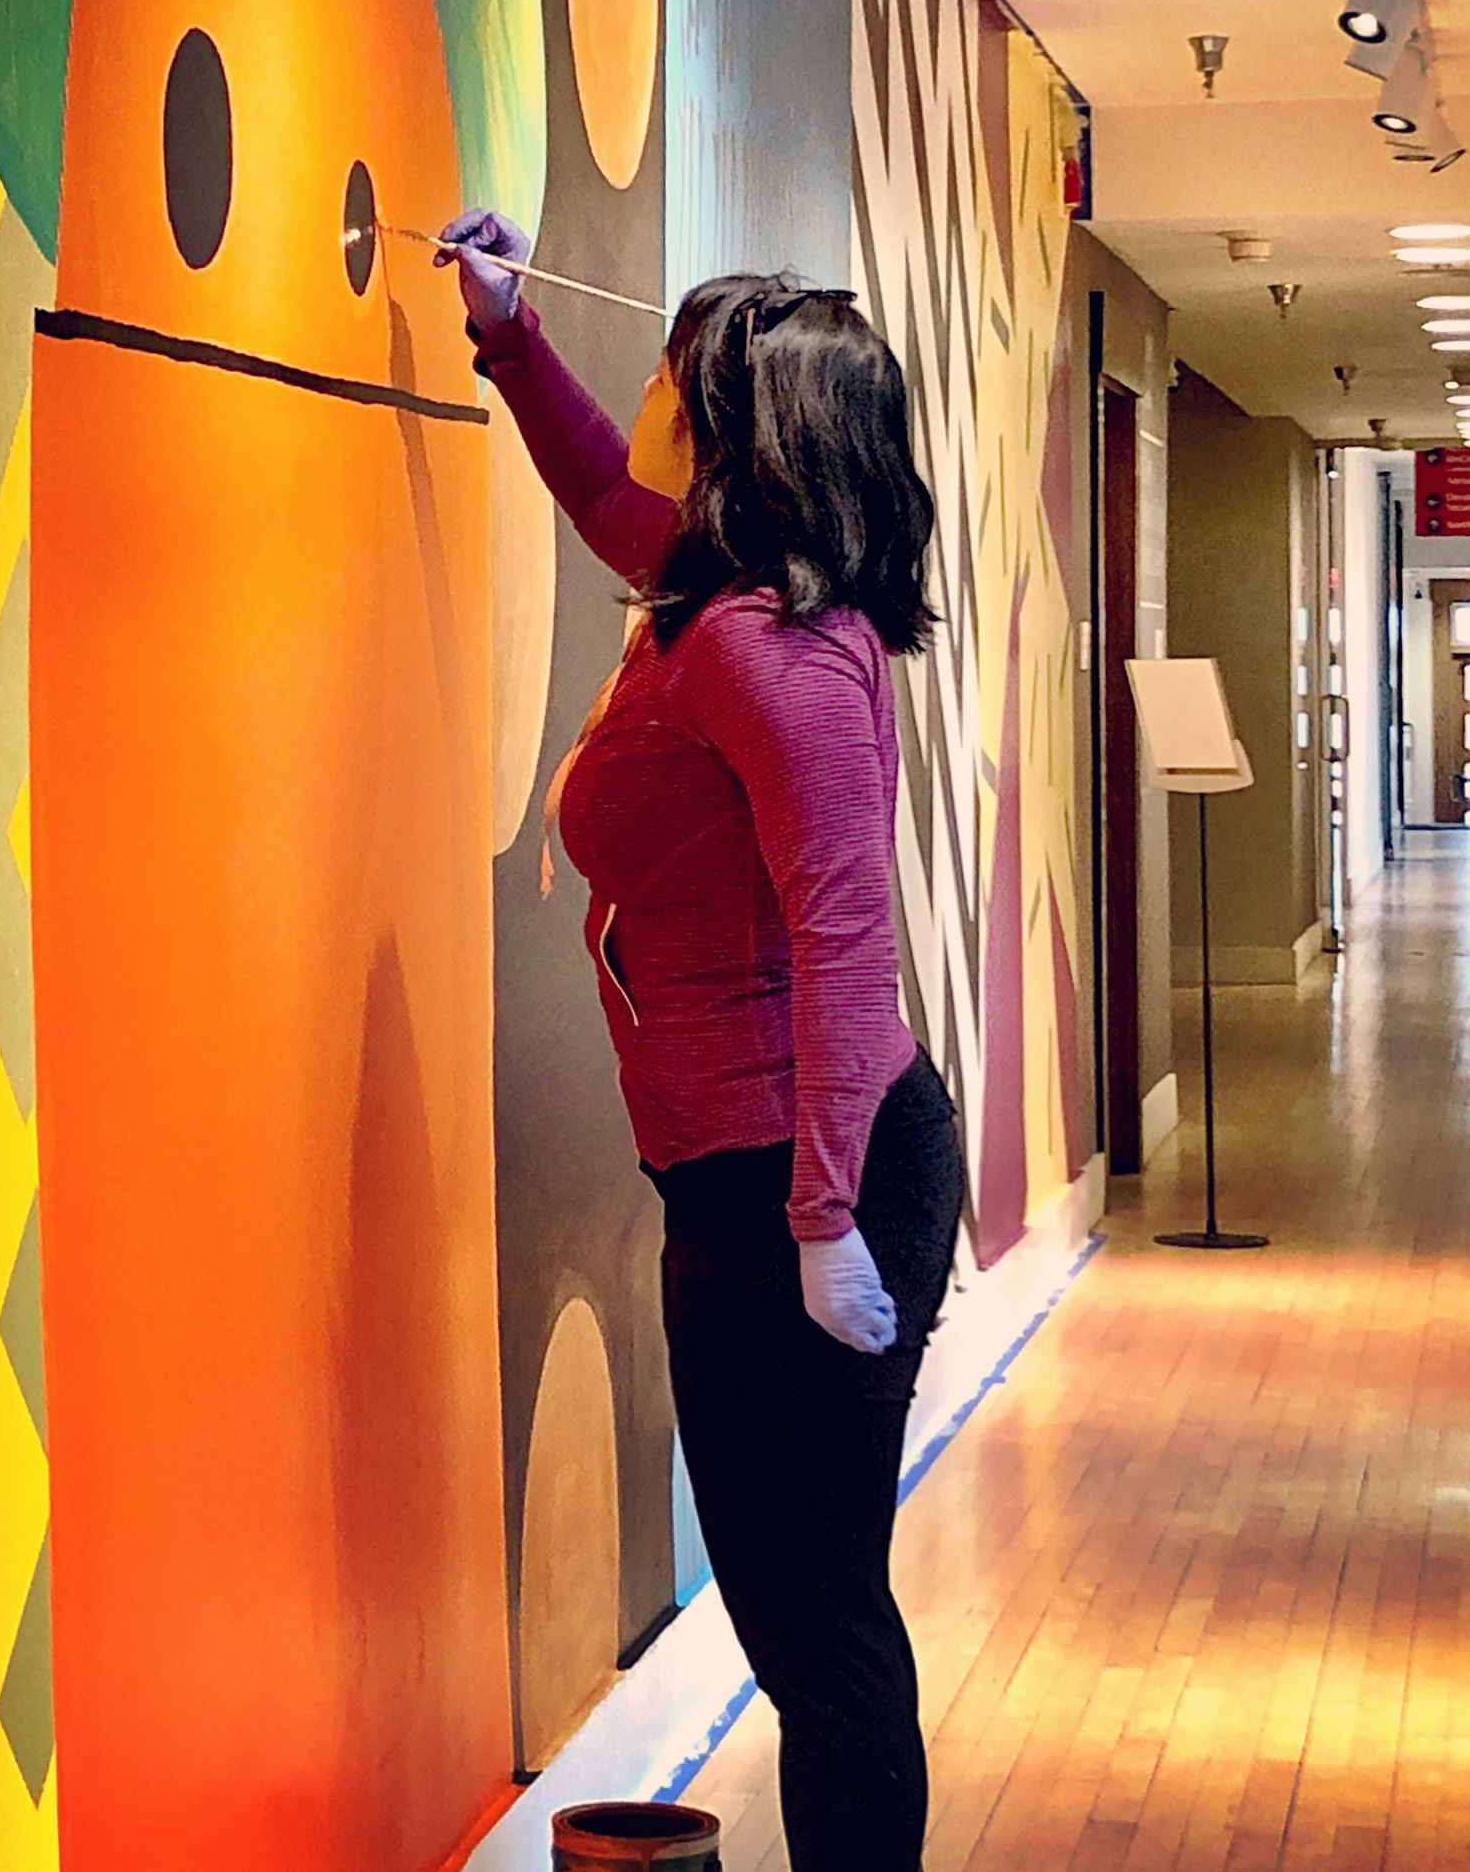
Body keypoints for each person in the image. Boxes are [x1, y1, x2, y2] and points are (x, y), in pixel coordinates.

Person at [436, 208, 966, 1872]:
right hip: (758, 1170)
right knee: (804, 1609)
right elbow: (609, 499)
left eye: (678, 373)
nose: (653, 386)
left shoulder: (769, 647)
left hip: (803, 1178)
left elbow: (848, 940)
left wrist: (820, 1225)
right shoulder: (720, 595)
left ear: (746, 433)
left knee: (813, 1623)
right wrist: (508, 334)